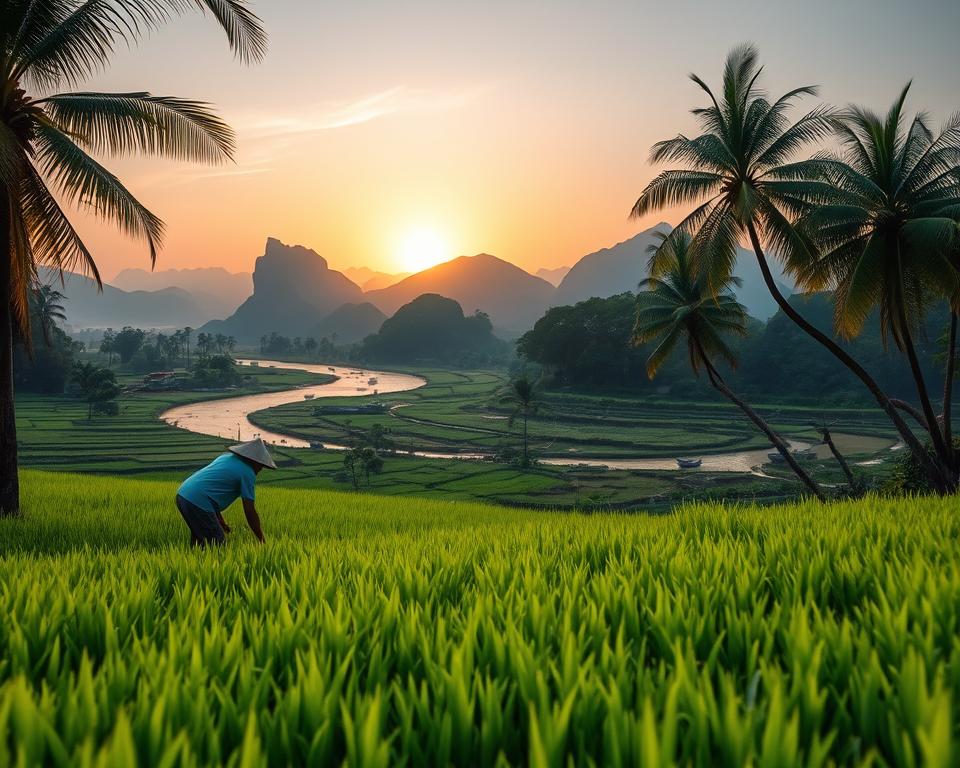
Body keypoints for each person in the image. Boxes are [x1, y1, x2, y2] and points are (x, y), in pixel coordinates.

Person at [175, 438, 276, 546]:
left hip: (182, 496)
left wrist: (220, 521)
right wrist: (261, 539)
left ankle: (193, 556)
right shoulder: (247, 473)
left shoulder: (225, 458)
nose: (260, 469)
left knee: (200, 541)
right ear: (254, 461)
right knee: (218, 543)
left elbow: (211, 492)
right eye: (260, 465)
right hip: (197, 502)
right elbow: (249, 510)